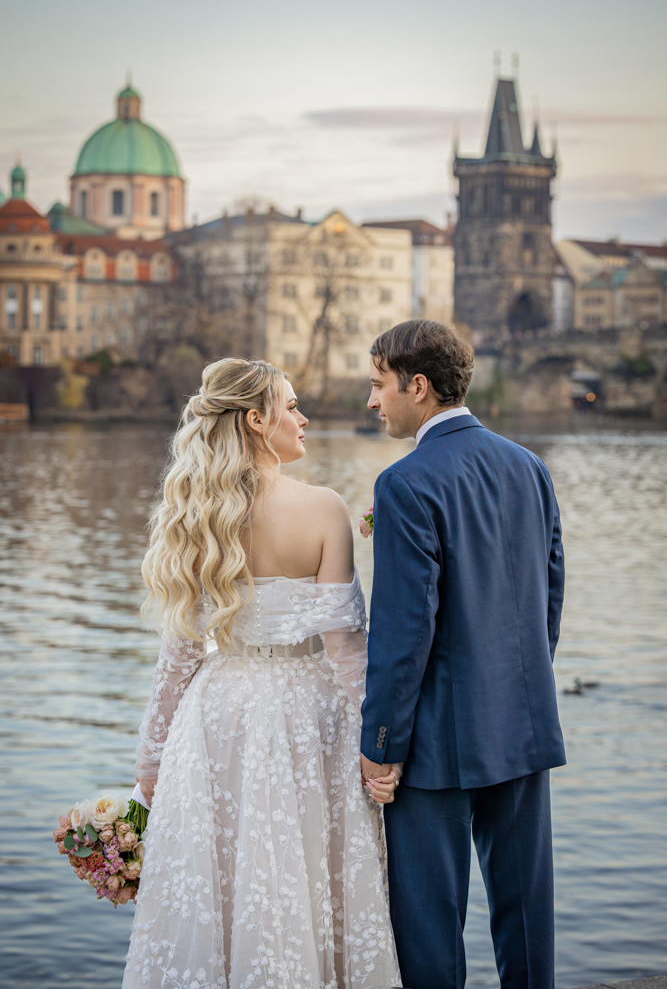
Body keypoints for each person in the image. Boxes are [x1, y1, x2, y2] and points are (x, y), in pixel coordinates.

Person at [123, 358, 401, 989]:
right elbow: (346, 649)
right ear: (254, 420)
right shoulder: (324, 508)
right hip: (311, 717)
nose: (304, 419)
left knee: (223, 881)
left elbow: (178, 658)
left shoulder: (196, 514)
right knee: (311, 876)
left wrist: (151, 759)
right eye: (292, 406)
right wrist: (377, 747)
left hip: (219, 716)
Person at [360, 319, 566, 989]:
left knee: (429, 929)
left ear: (417, 386)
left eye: (379, 384)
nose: (372, 401)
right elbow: (550, 594)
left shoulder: (404, 483)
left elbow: (402, 634)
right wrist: (522, 686)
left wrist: (381, 742)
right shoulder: (528, 466)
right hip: (521, 723)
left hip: (434, 742)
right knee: (526, 915)